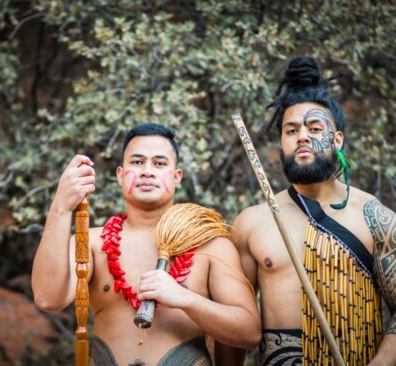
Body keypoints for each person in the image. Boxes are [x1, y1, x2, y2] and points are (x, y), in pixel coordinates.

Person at [232, 57, 396, 365]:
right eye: (291, 130)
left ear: (337, 140)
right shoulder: (252, 222)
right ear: (282, 142)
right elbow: (234, 320)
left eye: (314, 127)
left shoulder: (376, 218)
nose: (302, 136)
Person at [32, 123, 261, 365]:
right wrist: (61, 205)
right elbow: (48, 299)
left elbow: (249, 333)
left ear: (177, 177)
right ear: (120, 175)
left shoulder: (211, 246)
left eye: (159, 163)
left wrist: (184, 298)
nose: (147, 171)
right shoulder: (91, 243)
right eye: (137, 162)